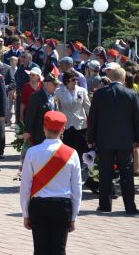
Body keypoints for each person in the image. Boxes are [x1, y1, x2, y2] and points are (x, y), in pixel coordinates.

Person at [20, 111, 82, 255]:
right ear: (63, 129)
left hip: (39, 206)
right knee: (59, 250)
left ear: (44, 128)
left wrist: (25, 213)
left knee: (40, 250)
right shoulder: (72, 154)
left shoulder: (32, 152)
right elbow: (77, 188)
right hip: (62, 207)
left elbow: (25, 187)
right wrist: (74, 216)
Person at [87, 67, 139, 214]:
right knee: (126, 174)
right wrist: (138, 138)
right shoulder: (131, 94)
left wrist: (90, 139)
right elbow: (137, 119)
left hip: (104, 140)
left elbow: (93, 119)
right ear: (124, 79)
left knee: (105, 174)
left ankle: (105, 205)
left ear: (110, 78)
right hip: (125, 140)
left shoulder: (99, 94)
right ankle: (130, 206)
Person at [55, 70, 91, 161]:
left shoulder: (82, 91)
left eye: (77, 80)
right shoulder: (59, 91)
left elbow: (87, 107)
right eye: (73, 80)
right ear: (67, 81)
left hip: (80, 124)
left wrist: (93, 119)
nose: (76, 82)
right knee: (67, 149)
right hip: (66, 125)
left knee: (81, 149)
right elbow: (56, 108)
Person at [24, 73, 61, 147]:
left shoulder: (55, 96)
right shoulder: (36, 96)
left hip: (53, 133)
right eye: (54, 84)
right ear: (46, 84)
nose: (56, 87)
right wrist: (27, 132)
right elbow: (30, 116)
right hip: (39, 134)